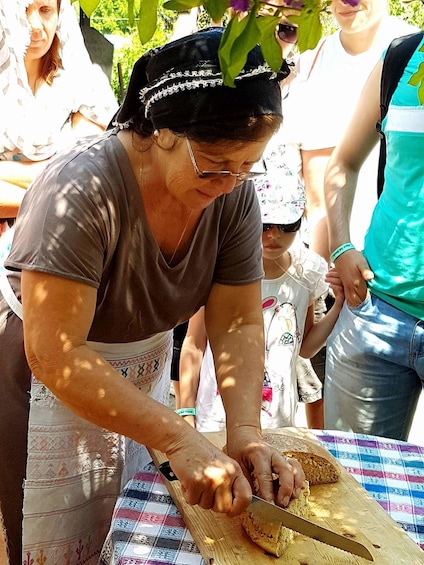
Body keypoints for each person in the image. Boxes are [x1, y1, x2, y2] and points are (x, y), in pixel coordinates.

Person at [0, 27, 306, 565]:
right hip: (39, 383)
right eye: (214, 163)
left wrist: (245, 433)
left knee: (128, 536)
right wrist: (181, 439)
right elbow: (55, 352)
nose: (230, 182)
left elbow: (236, 323)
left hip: (139, 380)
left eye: (246, 165)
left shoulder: (231, 195)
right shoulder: (82, 188)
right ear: (163, 131)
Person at [178, 171, 344, 432]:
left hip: (278, 420)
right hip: (217, 418)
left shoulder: (306, 271)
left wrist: (339, 305)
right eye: (264, 225)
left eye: (287, 226)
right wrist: (186, 410)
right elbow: (194, 343)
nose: (273, 236)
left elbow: (305, 348)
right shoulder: (220, 266)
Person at [323, 31, 424, 441]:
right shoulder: (402, 57)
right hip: (375, 310)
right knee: (352, 485)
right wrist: (341, 246)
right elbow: (342, 164)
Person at [282, 0, 417, 263]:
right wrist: (325, 273)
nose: (345, 2)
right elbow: (317, 179)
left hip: (402, 259)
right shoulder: (312, 60)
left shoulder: (414, 54)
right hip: (338, 259)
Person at [0, 0, 117, 242]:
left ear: (60, 14)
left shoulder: (85, 85)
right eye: (22, 12)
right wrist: (54, 190)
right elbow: (70, 183)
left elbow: (87, 176)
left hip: (63, 243)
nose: (34, 26)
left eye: (45, 11)